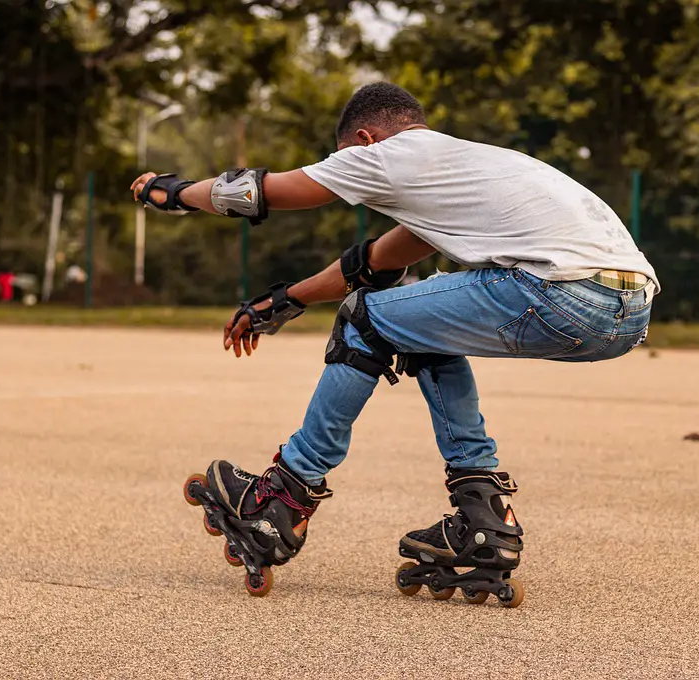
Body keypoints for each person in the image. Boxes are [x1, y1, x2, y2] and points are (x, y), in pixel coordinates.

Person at [132, 82, 659, 606]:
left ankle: (281, 498)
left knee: (363, 319)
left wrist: (174, 193)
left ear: (365, 138)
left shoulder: (387, 153)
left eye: (345, 159)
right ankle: (483, 520)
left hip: (559, 290)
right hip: (629, 309)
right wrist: (284, 300)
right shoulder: (463, 171)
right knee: (416, 323)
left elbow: (255, 192)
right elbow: (373, 263)